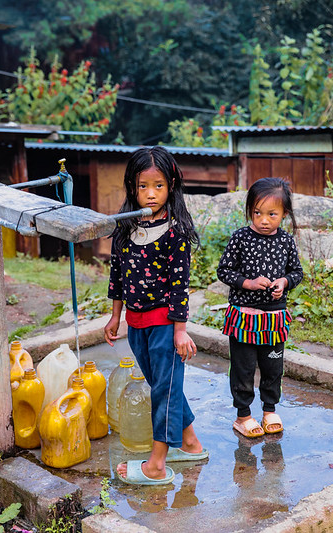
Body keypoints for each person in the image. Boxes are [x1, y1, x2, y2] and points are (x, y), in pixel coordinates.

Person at [104, 146, 208, 485]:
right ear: (132, 186)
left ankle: (157, 464)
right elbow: (117, 275)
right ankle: (191, 444)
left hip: (165, 325)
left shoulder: (174, 232)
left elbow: (180, 286)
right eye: (143, 186)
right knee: (163, 386)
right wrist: (115, 317)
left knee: (163, 391)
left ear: (172, 184)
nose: (151, 194)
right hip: (136, 325)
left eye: (159, 186)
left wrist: (180, 331)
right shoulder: (126, 227)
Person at [217, 177, 304, 438]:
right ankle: (243, 415)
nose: (263, 220)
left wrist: (285, 282)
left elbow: (297, 272)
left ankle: (269, 410)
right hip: (244, 317)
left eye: (271, 214)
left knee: (272, 367)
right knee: (243, 369)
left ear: (284, 214)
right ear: (250, 211)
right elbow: (224, 271)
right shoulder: (241, 238)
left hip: (274, 317)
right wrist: (249, 283)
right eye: (257, 213)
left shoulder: (286, 242)